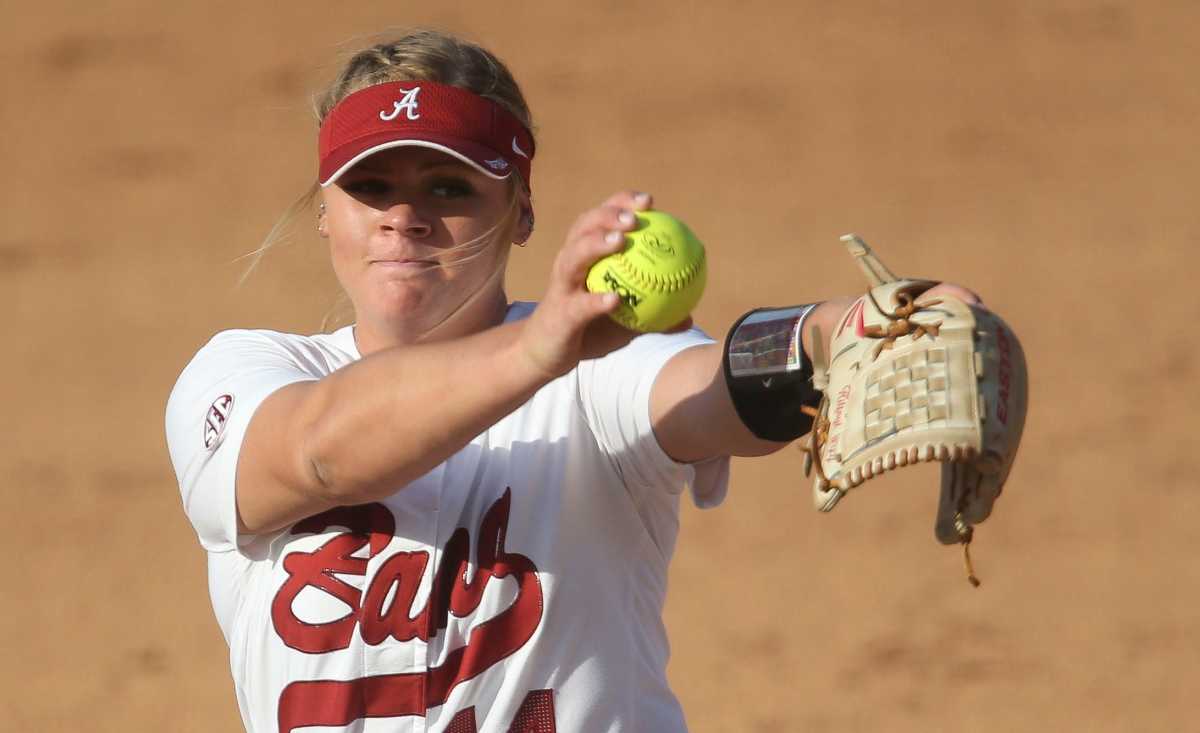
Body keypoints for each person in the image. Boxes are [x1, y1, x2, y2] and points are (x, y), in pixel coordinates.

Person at [166, 29, 981, 732]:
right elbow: (316, 456)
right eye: (371, 186)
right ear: (324, 211)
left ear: (521, 210)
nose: (403, 217)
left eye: (448, 187)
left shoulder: (594, 362)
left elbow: (712, 390)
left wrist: (838, 329)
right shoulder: (244, 375)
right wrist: (535, 351)